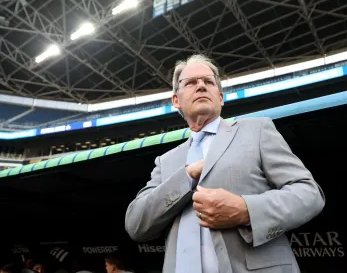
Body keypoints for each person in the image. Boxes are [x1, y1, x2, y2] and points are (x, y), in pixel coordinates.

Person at [125, 54, 325, 273]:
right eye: (191, 82)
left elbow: (309, 193)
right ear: (176, 100)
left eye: (208, 81)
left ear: (220, 97)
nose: (201, 85)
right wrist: (187, 176)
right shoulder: (166, 161)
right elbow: (136, 225)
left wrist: (246, 210)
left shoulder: (257, 130)